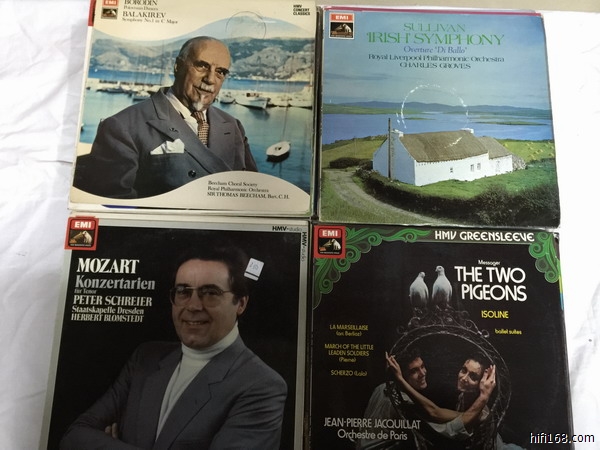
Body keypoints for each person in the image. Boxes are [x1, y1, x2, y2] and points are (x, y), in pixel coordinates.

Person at [60, 244, 286, 449]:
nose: (193, 306)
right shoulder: (146, 358)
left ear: (241, 303)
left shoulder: (262, 386)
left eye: (210, 293)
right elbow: (74, 437)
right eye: (183, 292)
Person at [73, 36, 258, 199]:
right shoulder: (121, 127)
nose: (210, 79)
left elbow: (252, 192)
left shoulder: (233, 126)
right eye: (202, 66)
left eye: (220, 72)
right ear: (178, 67)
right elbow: (115, 206)